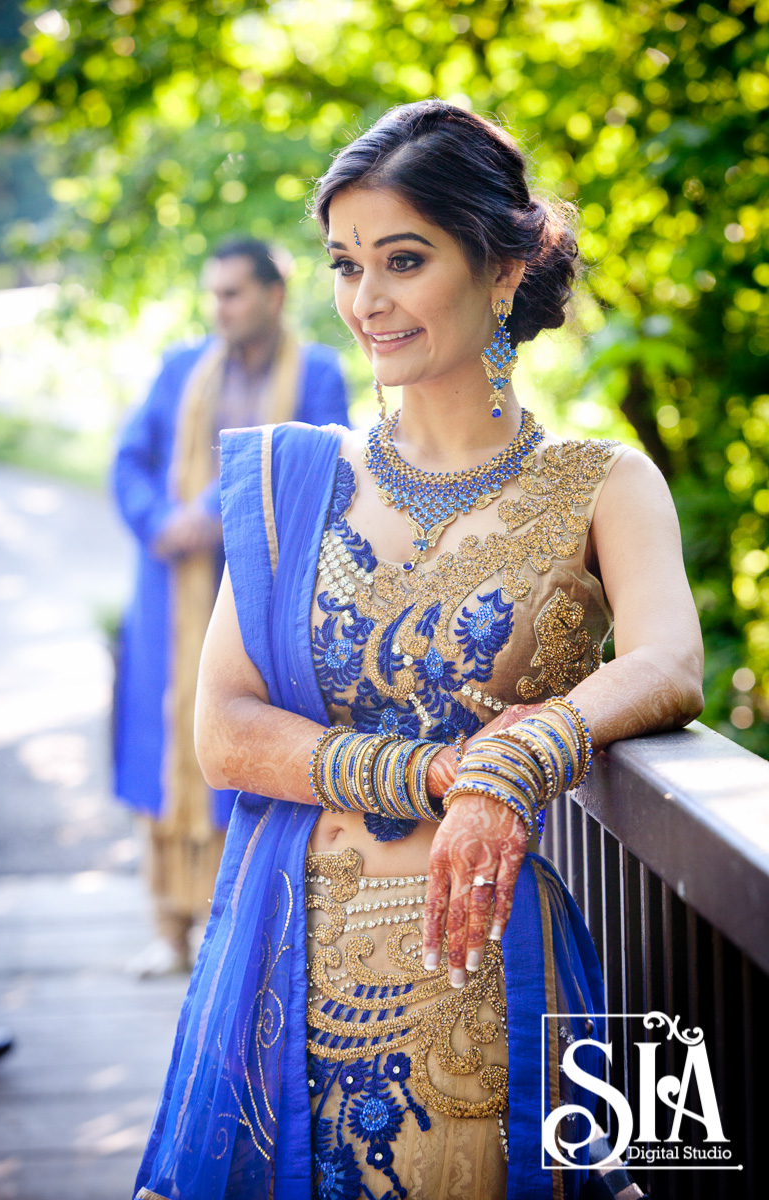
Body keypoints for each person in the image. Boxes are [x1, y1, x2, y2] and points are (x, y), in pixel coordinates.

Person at [134, 102, 702, 1199]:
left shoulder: (602, 483)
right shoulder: (295, 483)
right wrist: (442, 770)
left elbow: (669, 664)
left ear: (503, 267)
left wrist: (520, 757)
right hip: (290, 971)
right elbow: (225, 733)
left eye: (403, 259)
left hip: (500, 972)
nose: (366, 301)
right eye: (346, 264)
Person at [112, 239, 350, 977]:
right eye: (213, 295)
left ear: (273, 296)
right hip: (172, 592)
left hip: (259, 593)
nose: (220, 309)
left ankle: (233, 935)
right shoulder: (181, 367)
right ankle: (168, 931)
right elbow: (130, 459)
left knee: (241, 750)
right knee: (163, 750)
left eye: (234, 295)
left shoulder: (315, 372)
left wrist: (217, 509)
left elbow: (318, 460)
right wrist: (161, 521)